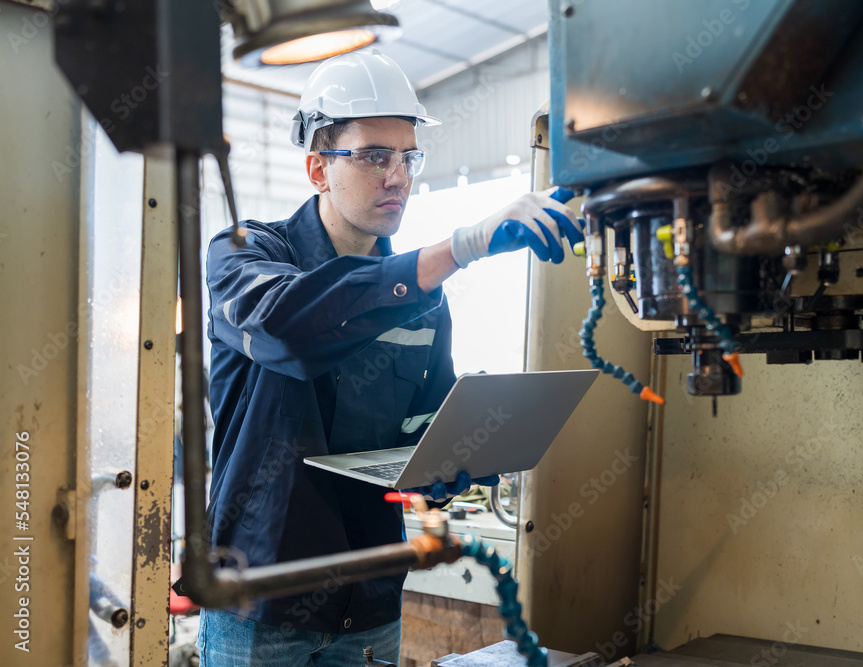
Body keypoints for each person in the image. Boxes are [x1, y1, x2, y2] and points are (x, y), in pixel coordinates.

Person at [192, 49, 580, 666]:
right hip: (258, 602)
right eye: (374, 156)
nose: (398, 176)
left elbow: (424, 421)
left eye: (408, 157)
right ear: (318, 167)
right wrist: (461, 247)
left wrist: (452, 463)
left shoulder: (423, 303)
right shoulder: (244, 254)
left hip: (369, 605)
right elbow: (292, 330)